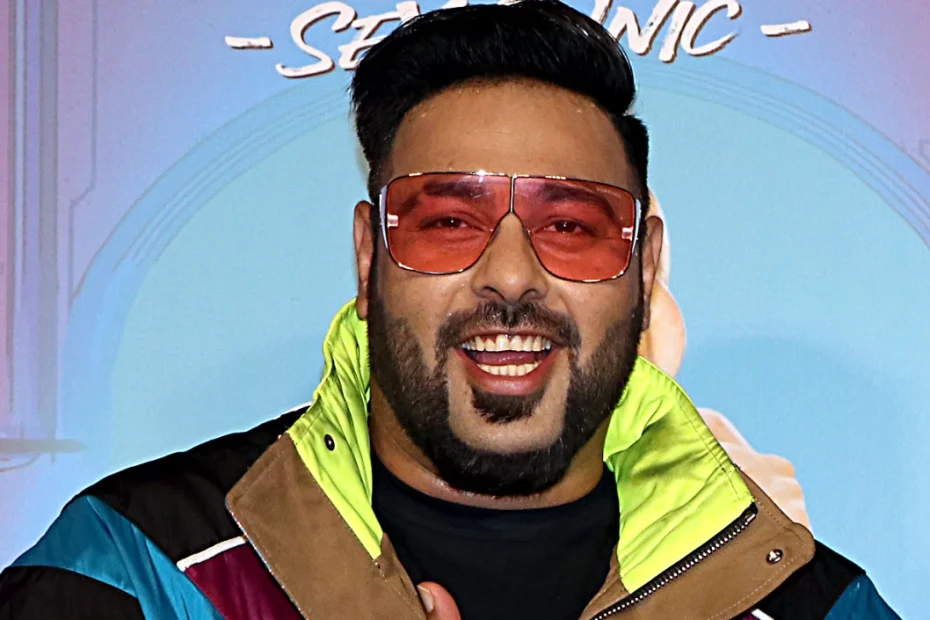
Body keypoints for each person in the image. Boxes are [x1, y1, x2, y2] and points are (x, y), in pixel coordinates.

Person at [0, 2, 896, 618]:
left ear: (645, 268)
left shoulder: (804, 599)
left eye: (570, 225)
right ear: (368, 260)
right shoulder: (137, 567)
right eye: (447, 222)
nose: (509, 276)